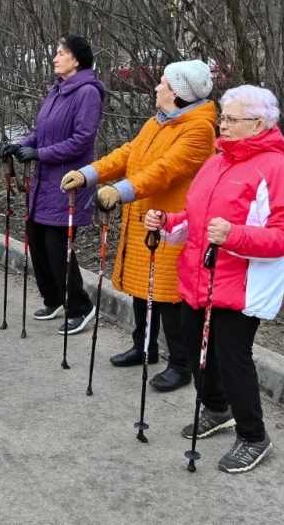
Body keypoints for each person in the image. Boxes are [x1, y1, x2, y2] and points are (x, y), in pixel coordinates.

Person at [143, 85, 284, 474]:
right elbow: (197, 220)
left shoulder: (278, 169)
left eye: (232, 119)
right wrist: (168, 222)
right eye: (224, 118)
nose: (224, 125)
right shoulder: (217, 160)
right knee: (196, 352)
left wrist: (233, 236)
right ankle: (216, 409)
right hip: (199, 278)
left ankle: (253, 435)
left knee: (233, 359)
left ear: (260, 124)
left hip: (242, 286)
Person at [60, 59, 217, 392]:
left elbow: (164, 169)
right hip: (145, 218)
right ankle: (144, 347)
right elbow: (128, 154)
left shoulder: (198, 129)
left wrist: (119, 191)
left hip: (172, 224)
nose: (157, 87)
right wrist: (89, 174)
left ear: (177, 93)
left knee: (167, 296)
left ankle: (180, 364)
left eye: (163, 82)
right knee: (141, 290)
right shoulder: (158, 122)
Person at [0, 35, 104, 335]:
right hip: (45, 181)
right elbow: (40, 132)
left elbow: (82, 140)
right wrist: (19, 145)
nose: (55, 58)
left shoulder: (87, 93)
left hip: (68, 181)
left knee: (57, 245)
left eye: (61, 53)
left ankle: (81, 306)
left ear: (77, 60)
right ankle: (54, 297)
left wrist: (40, 154)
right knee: (36, 237)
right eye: (56, 53)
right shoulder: (57, 90)